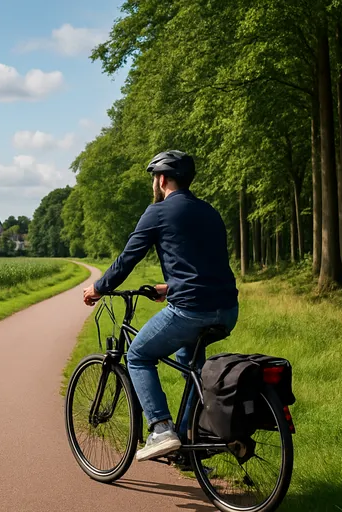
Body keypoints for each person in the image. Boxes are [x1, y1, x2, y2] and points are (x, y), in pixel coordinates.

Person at [82, 150, 239, 462]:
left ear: (162, 179)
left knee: (139, 355)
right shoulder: (209, 211)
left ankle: (161, 429)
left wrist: (98, 288)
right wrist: (171, 287)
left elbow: (127, 259)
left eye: (155, 177)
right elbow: (209, 265)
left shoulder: (158, 212)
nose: (155, 182)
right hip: (227, 309)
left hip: (191, 310)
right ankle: (188, 442)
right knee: (191, 364)